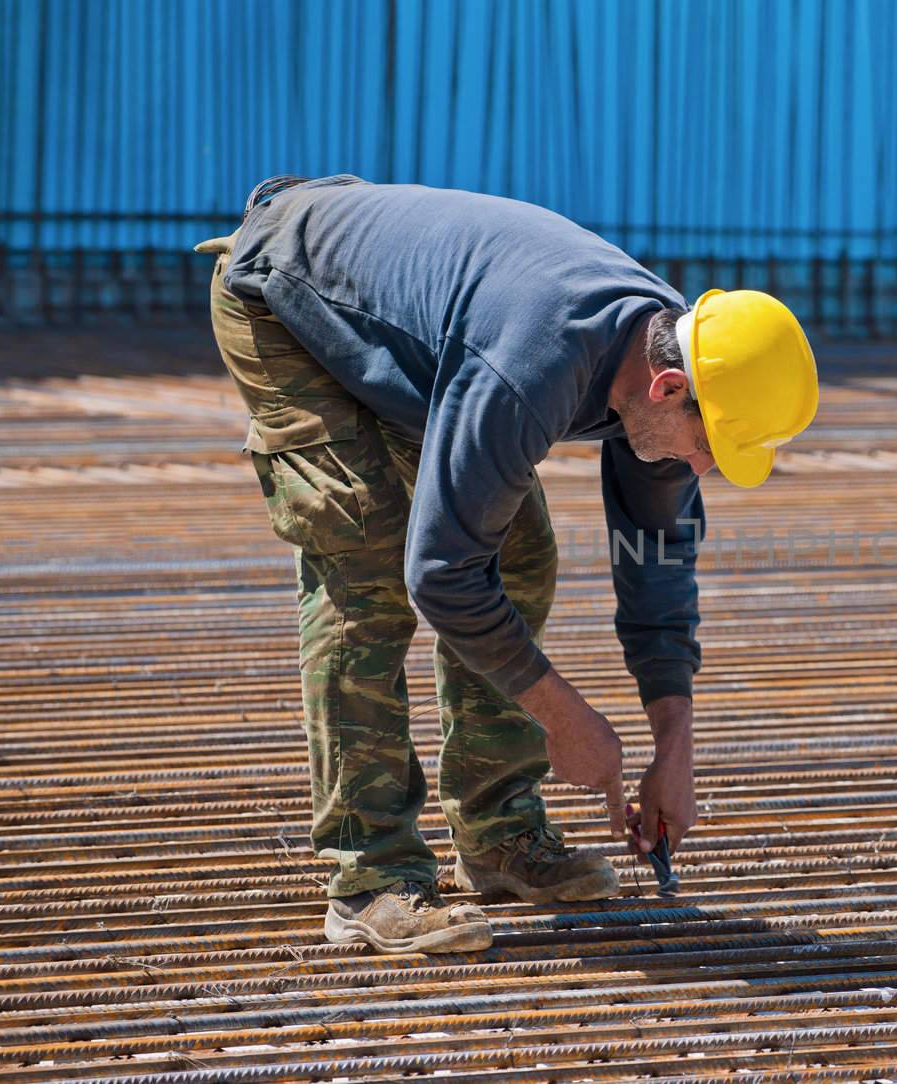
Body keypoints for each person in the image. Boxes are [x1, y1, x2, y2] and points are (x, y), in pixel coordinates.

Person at [196, 175, 818, 953]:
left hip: (426, 338)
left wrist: (674, 747)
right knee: (369, 561)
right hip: (285, 291)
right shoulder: (540, 359)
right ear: (669, 387)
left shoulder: (673, 359)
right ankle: (370, 878)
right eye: (710, 449)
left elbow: (654, 558)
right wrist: (566, 719)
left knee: (519, 553)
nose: (701, 469)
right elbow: (442, 574)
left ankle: (497, 836)